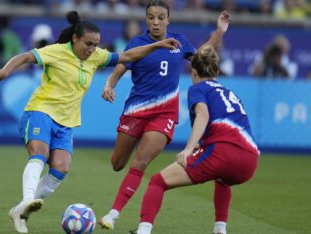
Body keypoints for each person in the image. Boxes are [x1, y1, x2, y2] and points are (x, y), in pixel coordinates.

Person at [0, 11, 180, 234]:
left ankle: (20, 210)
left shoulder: (96, 57)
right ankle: (27, 200)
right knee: (40, 154)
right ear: (75, 38)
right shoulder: (56, 52)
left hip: (66, 123)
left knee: (61, 169)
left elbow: (128, 56)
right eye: (88, 44)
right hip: (41, 111)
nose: (92, 49)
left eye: (95, 44)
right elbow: (25, 56)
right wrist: (5, 72)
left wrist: (158, 45)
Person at [98, 0, 230, 230]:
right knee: (117, 163)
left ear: (168, 19)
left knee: (140, 161)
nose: (156, 21)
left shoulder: (180, 42)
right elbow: (119, 69)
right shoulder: (137, 43)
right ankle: (117, 204)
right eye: (151, 17)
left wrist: (219, 31)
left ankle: (113, 214)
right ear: (146, 19)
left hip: (164, 113)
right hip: (135, 111)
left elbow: (203, 54)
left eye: (160, 17)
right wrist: (109, 84)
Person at [135, 45, 259, 234]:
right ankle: (220, 229)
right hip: (250, 159)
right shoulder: (229, 92)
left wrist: (188, 148)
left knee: (157, 182)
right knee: (223, 180)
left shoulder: (198, 88)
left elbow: (202, 115)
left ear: (193, 72)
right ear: (216, 71)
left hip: (223, 153)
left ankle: (143, 230)